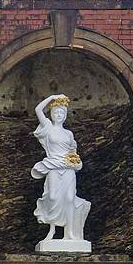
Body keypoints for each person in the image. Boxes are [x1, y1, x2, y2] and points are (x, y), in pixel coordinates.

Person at [31, 94, 88, 241]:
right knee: (53, 197)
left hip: (67, 168)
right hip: (53, 167)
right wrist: (52, 97)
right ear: (52, 114)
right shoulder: (48, 127)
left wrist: (75, 161)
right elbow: (38, 109)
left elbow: (73, 153)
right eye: (56, 112)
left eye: (62, 112)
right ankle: (52, 230)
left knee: (69, 199)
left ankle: (68, 233)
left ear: (65, 115)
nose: (59, 115)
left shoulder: (69, 134)